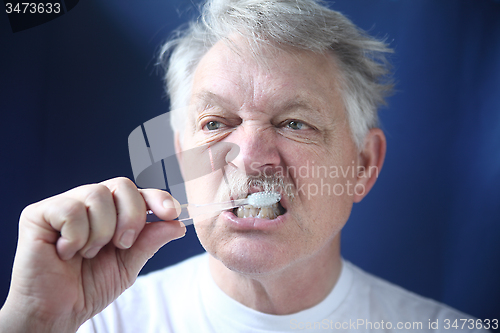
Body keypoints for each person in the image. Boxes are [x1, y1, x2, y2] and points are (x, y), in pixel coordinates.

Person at [0, 0, 488, 332]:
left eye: (295, 123)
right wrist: (32, 322)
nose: (251, 157)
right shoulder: (96, 323)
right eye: (215, 123)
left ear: (362, 165)